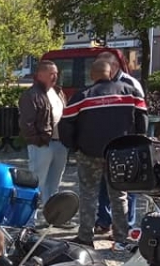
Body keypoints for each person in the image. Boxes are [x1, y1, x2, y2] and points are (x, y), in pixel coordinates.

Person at [59, 58, 148, 251]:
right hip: (120, 153)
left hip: (89, 154)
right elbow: (142, 119)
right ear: (110, 73)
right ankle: (121, 237)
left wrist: (74, 146)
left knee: (88, 195)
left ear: (93, 75)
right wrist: (135, 142)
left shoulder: (83, 96)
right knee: (120, 195)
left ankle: (85, 237)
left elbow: (65, 124)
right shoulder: (130, 92)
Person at [93, 53, 144, 235]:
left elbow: (141, 114)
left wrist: (136, 140)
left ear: (113, 67)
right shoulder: (103, 86)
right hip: (105, 147)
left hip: (125, 145)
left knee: (127, 185)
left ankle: (126, 224)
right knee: (104, 186)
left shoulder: (130, 84)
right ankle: (104, 221)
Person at [19, 60, 68, 220]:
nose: (55, 76)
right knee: (37, 182)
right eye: (51, 73)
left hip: (60, 143)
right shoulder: (31, 95)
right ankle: (30, 220)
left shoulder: (58, 91)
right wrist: (38, 141)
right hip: (42, 144)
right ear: (40, 75)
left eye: (56, 73)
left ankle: (51, 217)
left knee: (54, 184)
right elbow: (26, 123)